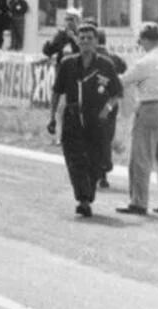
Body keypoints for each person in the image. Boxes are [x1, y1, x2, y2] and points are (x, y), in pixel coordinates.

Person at [47, 24, 123, 217]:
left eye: (89, 38)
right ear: (77, 41)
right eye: (81, 38)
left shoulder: (106, 65)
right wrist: (52, 117)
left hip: (97, 120)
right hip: (73, 117)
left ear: (97, 41)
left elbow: (115, 94)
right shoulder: (68, 63)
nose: (85, 41)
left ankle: (88, 193)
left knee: (95, 160)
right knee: (75, 159)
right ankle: (83, 199)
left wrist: (106, 111)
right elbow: (57, 92)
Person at [117, 23, 158, 216]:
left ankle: (139, 202)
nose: (140, 44)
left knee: (141, 156)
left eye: (140, 40)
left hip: (151, 106)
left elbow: (124, 80)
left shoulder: (145, 62)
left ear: (145, 39)